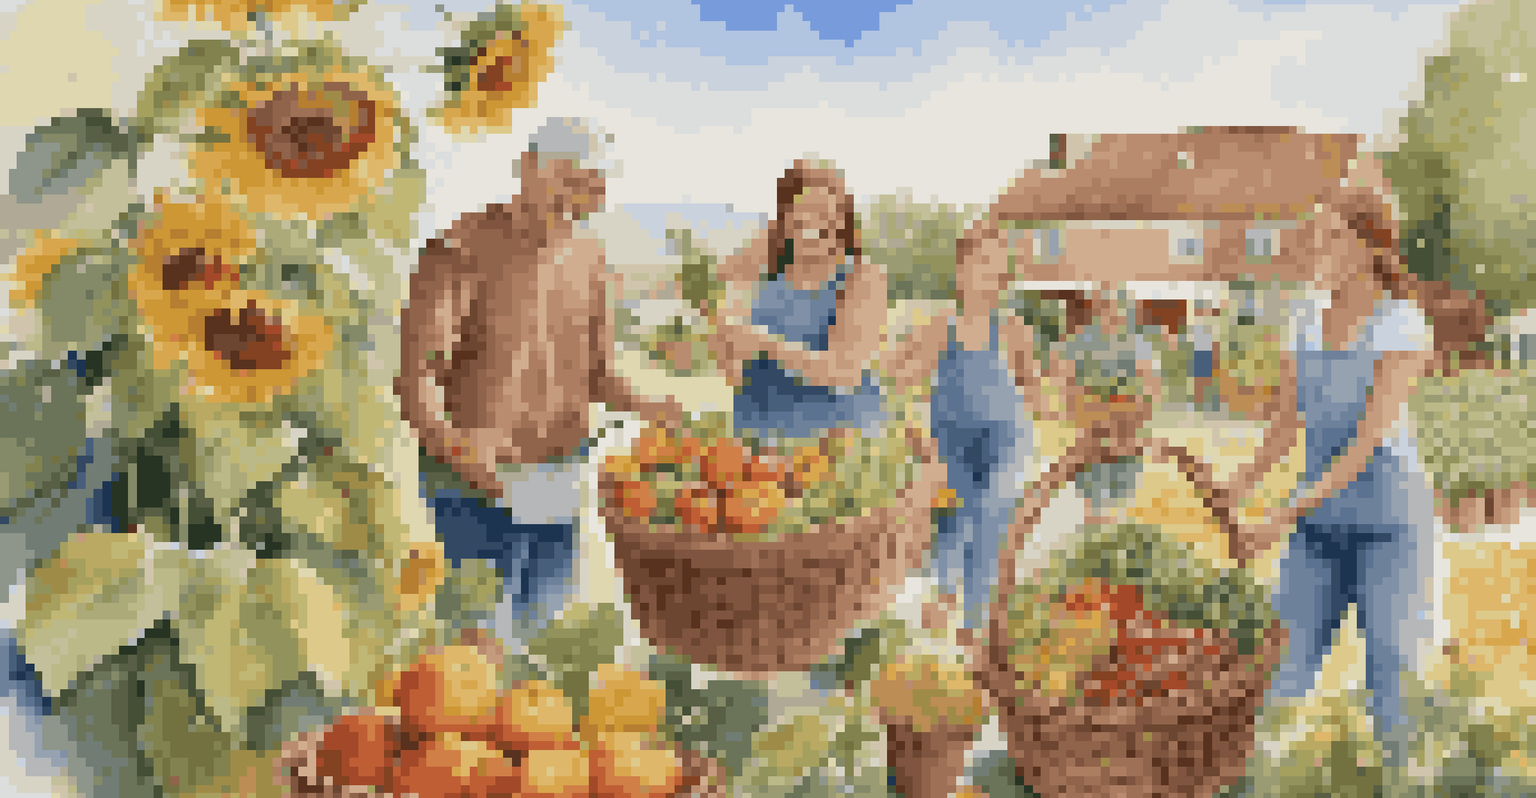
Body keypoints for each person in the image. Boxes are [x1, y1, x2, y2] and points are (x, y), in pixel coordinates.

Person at [396, 117, 685, 642]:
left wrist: (650, 406)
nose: (580, 201)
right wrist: (460, 451)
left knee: (547, 641)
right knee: (477, 651)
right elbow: (417, 380)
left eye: (593, 190)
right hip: (471, 482)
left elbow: (597, 375)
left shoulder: (591, 256)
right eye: (568, 182)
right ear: (526, 170)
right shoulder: (457, 250)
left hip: (557, 472)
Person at [1227, 167, 1470, 764]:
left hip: (1390, 524)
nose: (1318, 248)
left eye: (1332, 236)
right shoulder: (1306, 316)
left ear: (1368, 247)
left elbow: (1364, 447)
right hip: (1319, 525)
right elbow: (1290, 421)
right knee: (1281, 674)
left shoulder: (1401, 324)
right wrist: (1236, 483)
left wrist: (1279, 514)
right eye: (1317, 235)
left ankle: (1406, 781)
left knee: (1392, 682)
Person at [707, 158, 890, 442]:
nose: (812, 224)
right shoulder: (762, 276)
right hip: (761, 443)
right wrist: (727, 311)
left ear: (842, 219)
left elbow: (844, 372)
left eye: (824, 214)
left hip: (836, 449)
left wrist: (762, 342)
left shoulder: (863, 275)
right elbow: (732, 366)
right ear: (786, 218)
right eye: (801, 211)